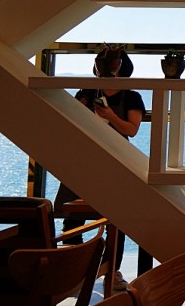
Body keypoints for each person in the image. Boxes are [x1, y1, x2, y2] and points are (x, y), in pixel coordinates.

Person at [53, 46, 145, 291]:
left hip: (116, 161)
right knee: (72, 218)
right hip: (83, 159)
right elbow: (71, 123)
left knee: (117, 220)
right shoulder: (86, 91)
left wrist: (110, 115)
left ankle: (110, 270)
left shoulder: (131, 96)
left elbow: (131, 130)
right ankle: (74, 271)